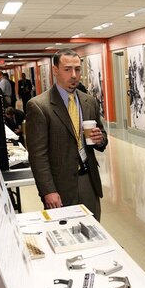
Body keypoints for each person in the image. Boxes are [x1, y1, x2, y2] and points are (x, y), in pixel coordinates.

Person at [26, 48, 108, 221]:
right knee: (66, 236)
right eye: (67, 69)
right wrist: (48, 191)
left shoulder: (89, 102)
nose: (74, 75)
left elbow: (101, 135)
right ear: (55, 71)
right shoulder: (39, 106)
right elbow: (37, 155)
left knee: (94, 231)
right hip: (59, 187)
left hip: (88, 180)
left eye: (77, 69)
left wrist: (100, 139)